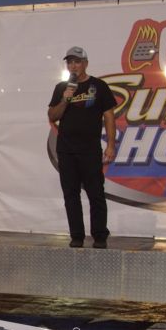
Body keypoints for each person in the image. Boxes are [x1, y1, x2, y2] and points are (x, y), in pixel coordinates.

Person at [47, 46, 117, 249]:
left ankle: (100, 236)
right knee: (71, 195)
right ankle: (76, 236)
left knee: (96, 194)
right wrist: (65, 99)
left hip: (90, 149)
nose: (73, 65)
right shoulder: (62, 88)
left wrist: (110, 145)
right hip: (66, 150)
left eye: (77, 61)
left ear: (85, 63)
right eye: (70, 62)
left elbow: (109, 117)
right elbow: (53, 116)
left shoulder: (99, 86)